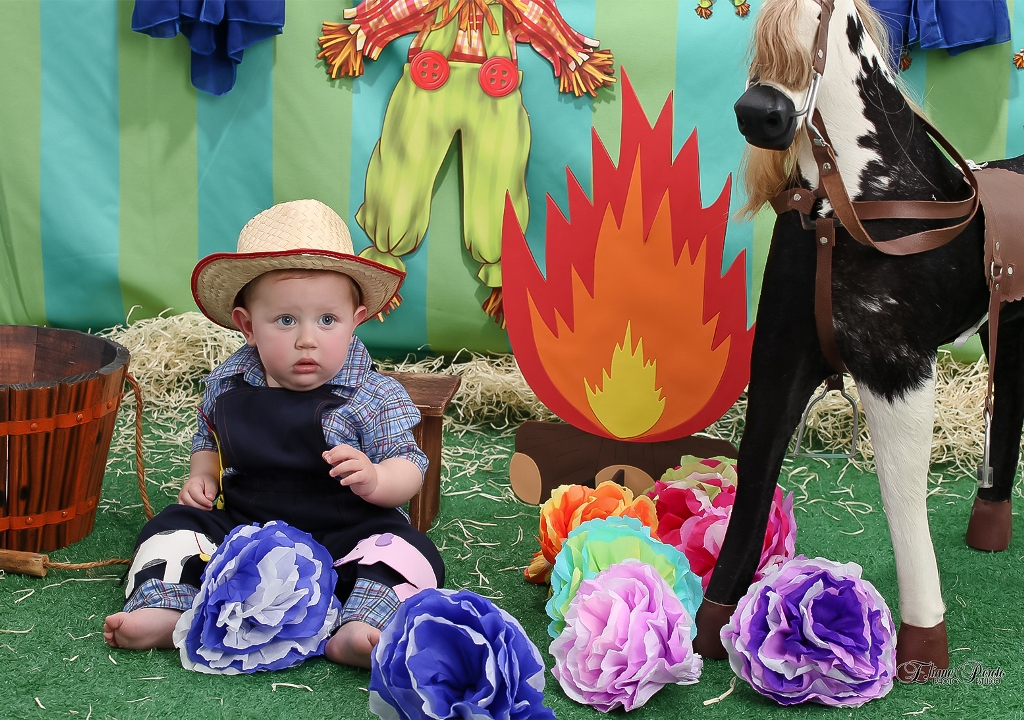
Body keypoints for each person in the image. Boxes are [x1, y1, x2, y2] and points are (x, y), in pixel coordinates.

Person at [103, 199, 444, 669]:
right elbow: (207, 438)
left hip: (347, 533)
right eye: (286, 320)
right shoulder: (229, 383)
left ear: (356, 320)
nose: (307, 339)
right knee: (171, 529)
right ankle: (168, 609)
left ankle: (361, 625)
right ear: (248, 326)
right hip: (245, 530)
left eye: (327, 320)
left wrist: (377, 479)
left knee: (408, 553)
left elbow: (410, 465)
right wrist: (203, 475)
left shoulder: (374, 394)